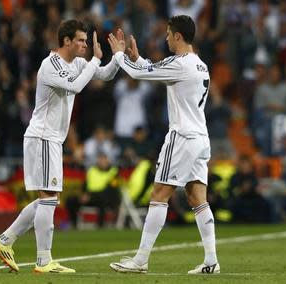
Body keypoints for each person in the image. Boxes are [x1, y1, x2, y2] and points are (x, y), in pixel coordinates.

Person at [0, 19, 121, 274]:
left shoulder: (79, 63)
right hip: (43, 137)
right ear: (66, 41)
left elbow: (103, 75)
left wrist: (114, 58)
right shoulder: (50, 65)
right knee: (49, 198)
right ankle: (43, 260)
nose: (84, 44)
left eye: (85, 40)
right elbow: (75, 85)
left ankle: (5, 240)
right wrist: (94, 61)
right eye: (80, 40)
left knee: (47, 199)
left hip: (52, 139)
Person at [108, 15, 220, 274]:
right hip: (201, 138)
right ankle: (211, 260)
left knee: (159, 194)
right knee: (197, 197)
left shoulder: (180, 64)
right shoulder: (200, 65)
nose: (166, 38)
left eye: (169, 35)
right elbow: (155, 70)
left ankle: (140, 260)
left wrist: (119, 56)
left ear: (178, 36)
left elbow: (140, 75)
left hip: (181, 137)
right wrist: (138, 60)